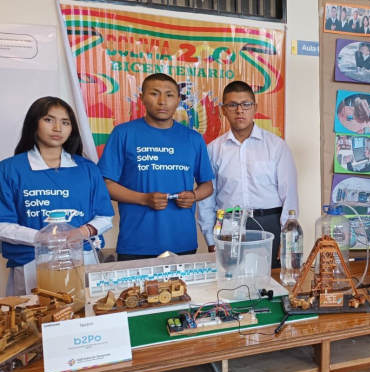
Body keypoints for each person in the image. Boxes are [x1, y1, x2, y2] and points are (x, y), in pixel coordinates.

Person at [0, 97, 114, 295]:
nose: (57, 128)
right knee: (35, 314)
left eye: (65, 122)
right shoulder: (9, 169)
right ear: (34, 123)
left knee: (84, 311)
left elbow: (105, 216)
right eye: (49, 119)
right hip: (30, 263)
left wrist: (81, 232)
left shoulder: (87, 169)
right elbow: (2, 225)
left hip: (82, 258)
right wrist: (43, 238)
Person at [98, 73, 214, 261]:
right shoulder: (123, 133)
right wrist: (143, 199)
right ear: (142, 98)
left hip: (182, 241)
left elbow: (207, 185)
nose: (162, 101)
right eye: (154, 94)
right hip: (136, 243)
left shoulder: (193, 138)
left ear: (178, 100)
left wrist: (193, 196)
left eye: (169, 95)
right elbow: (105, 184)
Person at [198, 81, 299, 270]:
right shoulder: (213, 150)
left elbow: (289, 194)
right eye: (232, 105)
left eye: (246, 104)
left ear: (255, 108)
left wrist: (287, 237)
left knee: (271, 280)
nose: (239, 111)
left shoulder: (276, 146)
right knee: (231, 279)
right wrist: (210, 239)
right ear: (223, 110)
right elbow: (207, 199)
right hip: (229, 225)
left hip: (270, 223)